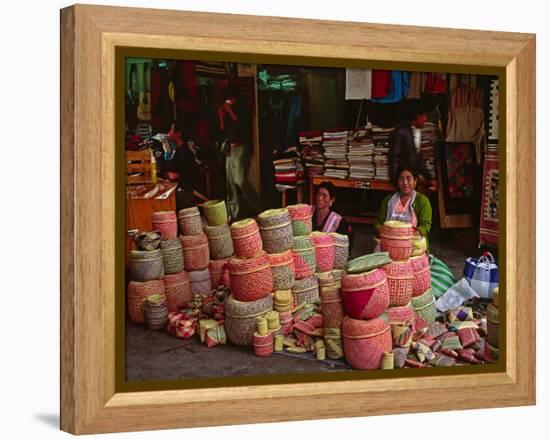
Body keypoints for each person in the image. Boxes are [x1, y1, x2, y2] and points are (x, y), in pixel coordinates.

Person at [218, 85, 261, 219]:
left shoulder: (242, 110)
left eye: (230, 99)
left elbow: (242, 125)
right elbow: (223, 129)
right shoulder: (227, 111)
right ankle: (234, 214)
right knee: (230, 182)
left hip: (241, 147)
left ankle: (259, 208)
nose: (228, 101)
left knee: (240, 181)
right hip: (230, 148)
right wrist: (221, 116)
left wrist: (230, 111)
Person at [374, 165, 433, 252]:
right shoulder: (388, 200)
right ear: (397, 182)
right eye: (401, 179)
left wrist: (404, 240)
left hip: (412, 245)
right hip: (389, 244)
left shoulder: (422, 201)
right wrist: (383, 232)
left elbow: (425, 226)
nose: (405, 182)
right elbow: (378, 222)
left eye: (409, 179)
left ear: (415, 181)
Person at [388, 101, 436, 190]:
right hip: (403, 183)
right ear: (418, 116)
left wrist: (429, 178)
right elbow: (394, 158)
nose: (426, 119)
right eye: (424, 116)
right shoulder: (401, 132)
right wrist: (396, 183)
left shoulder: (413, 132)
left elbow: (417, 158)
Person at [166, 121, 207, 209]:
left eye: (171, 130)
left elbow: (191, 173)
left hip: (184, 192)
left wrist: (177, 175)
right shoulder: (178, 150)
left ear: (178, 134)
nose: (168, 133)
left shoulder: (185, 152)